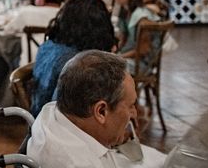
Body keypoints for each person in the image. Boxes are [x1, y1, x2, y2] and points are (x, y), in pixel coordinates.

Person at [27, 50, 166, 168]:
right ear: (101, 111)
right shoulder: (78, 163)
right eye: (130, 106)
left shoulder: (54, 111)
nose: (134, 114)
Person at [30, 0, 116, 117]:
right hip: (57, 124)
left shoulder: (47, 46)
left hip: (38, 116)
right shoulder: (79, 63)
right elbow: (65, 111)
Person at [114, 0, 160, 71]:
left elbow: (143, 50)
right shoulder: (126, 12)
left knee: (106, 68)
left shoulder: (141, 16)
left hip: (141, 63)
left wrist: (118, 57)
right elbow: (123, 39)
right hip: (128, 57)